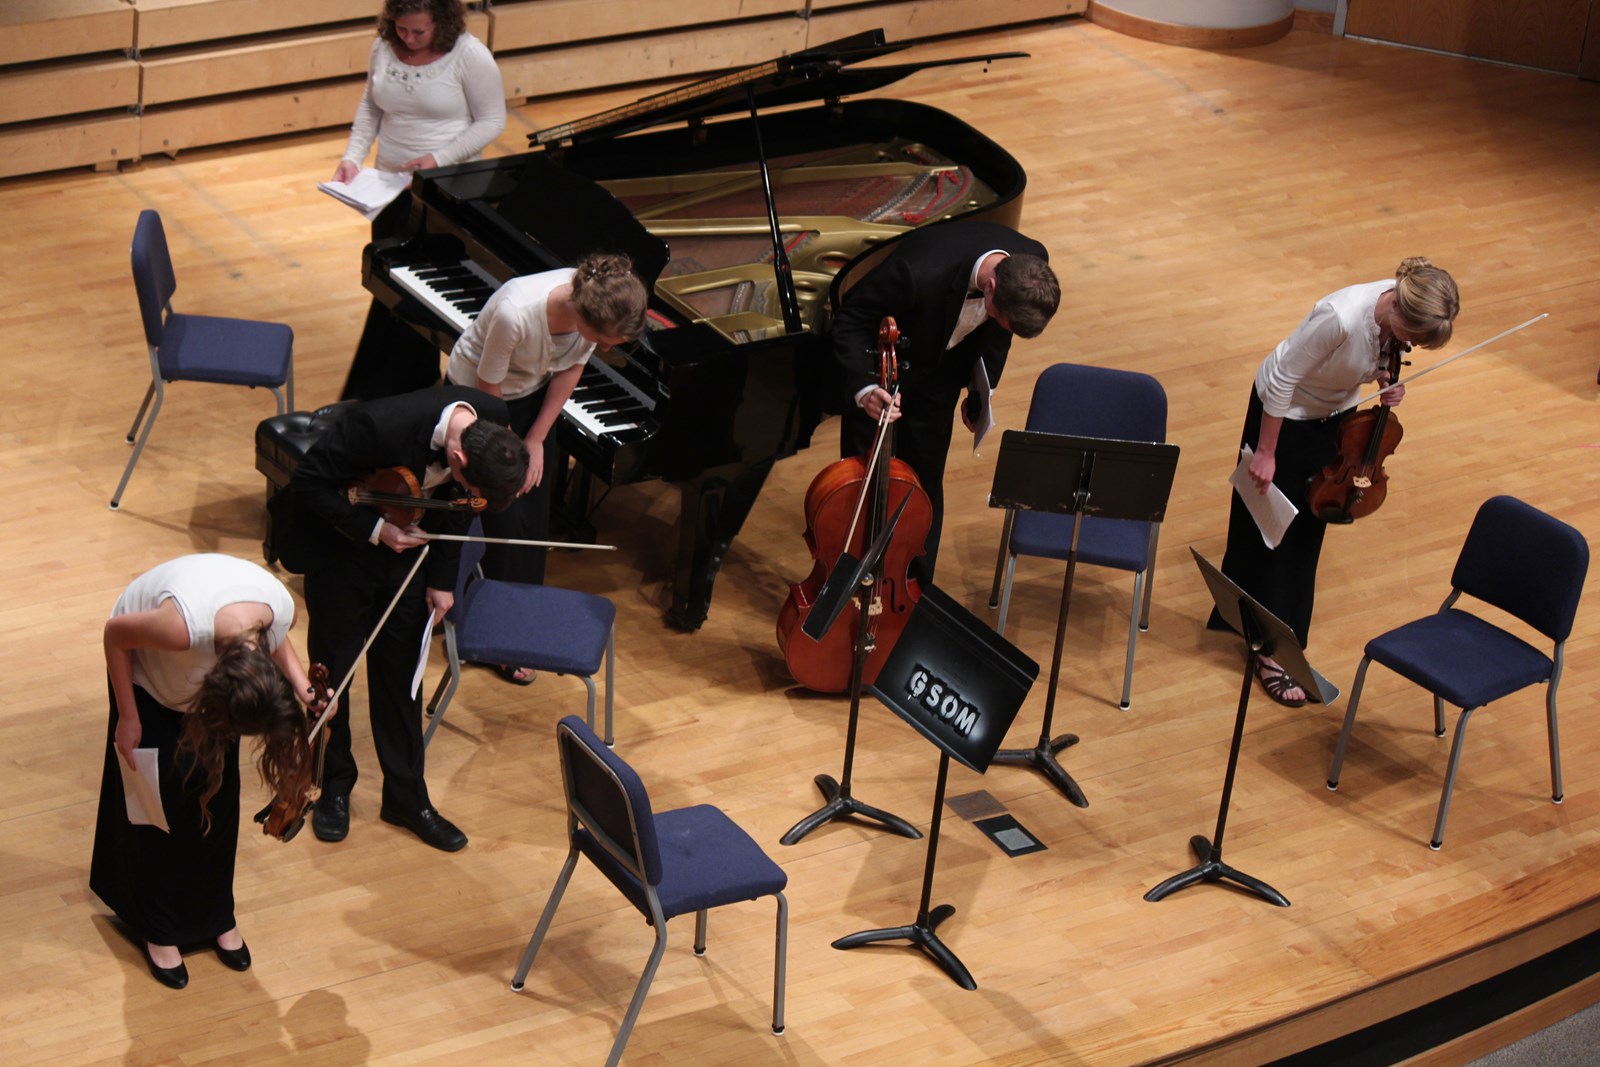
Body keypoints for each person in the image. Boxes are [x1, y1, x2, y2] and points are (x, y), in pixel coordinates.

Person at [268, 386, 528, 851]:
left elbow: (459, 509)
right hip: (341, 549)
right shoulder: (376, 426)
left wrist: (443, 580)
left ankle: (406, 796)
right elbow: (308, 482)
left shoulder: (492, 418)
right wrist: (376, 530)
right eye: (471, 486)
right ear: (458, 458)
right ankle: (333, 784)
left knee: (404, 675)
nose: (472, 497)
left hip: (410, 557)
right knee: (333, 674)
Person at [1210, 257, 1460, 706]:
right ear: (1398, 308)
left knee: (1306, 529)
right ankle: (1268, 651)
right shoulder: (1340, 317)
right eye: (1411, 337)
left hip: (1333, 417)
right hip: (1284, 413)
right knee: (1273, 529)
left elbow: (1367, 358)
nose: (1409, 347)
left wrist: (1384, 380)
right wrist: (1266, 451)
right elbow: (1283, 378)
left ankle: (1275, 638)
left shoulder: (1396, 310)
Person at [91, 554, 318, 990]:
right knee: (159, 807)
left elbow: (275, 641)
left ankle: (217, 915)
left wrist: (304, 687)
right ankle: (157, 926)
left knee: (220, 797)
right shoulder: (181, 628)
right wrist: (128, 714)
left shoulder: (278, 609)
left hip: (213, 675)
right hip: (148, 683)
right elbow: (115, 635)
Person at [444, 254, 649, 679]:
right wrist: (512, 453)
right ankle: (487, 629)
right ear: (584, 317)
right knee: (502, 512)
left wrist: (536, 439)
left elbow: (571, 367)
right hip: (479, 400)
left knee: (531, 519)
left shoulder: (595, 303)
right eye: (605, 339)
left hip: (529, 395)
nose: (605, 347)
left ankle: (516, 623)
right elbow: (487, 385)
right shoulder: (516, 312)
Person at [834, 220, 1060, 582]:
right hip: (881, 370)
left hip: (940, 375)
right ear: (991, 287)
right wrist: (864, 388)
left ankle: (914, 587)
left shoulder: (1033, 261)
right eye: (1000, 316)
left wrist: (981, 390)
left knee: (924, 483)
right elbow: (851, 316)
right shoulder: (917, 271)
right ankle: (850, 577)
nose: (1001, 324)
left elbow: (998, 334)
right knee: (865, 482)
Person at [331, 0, 508, 401]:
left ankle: (386, 390)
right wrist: (352, 157)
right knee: (390, 285)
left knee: (422, 290)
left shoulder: (470, 55)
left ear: (442, 23)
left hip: (447, 189)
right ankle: (407, 383)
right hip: (391, 187)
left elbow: (492, 120)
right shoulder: (384, 45)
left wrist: (438, 160)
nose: (407, 39)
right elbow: (371, 103)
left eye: (418, 32)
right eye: (401, 29)